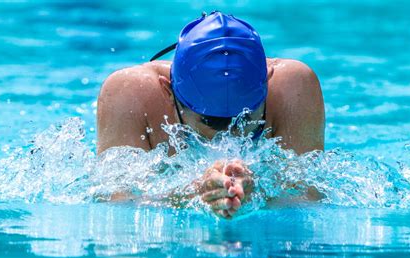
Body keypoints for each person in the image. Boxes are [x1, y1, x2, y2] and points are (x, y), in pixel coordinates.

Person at [97, 12, 325, 218]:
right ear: (168, 91)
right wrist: (193, 194)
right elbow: (116, 206)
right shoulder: (129, 94)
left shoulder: (294, 88)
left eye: (243, 119)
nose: (227, 136)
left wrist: (258, 192)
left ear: (268, 82)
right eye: (208, 121)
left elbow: (308, 201)